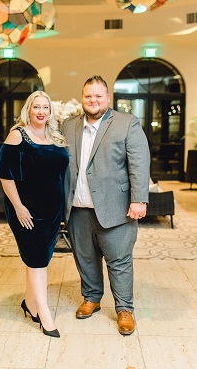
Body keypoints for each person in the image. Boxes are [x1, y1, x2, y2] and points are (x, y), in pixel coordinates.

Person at [61, 75, 150, 336]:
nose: (93, 100)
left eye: (98, 96)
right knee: (85, 259)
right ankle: (91, 298)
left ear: (108, 98)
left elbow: (139, 163)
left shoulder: (126, 123)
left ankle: (124, 309)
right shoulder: (69, 126)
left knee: (119, 261)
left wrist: (138, 199)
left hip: (116, 209)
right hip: (77, 209)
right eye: (88, 95)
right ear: (82, 98)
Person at [0, 90, 69, 338]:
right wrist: (19, 207)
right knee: (37, 260)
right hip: (27, 209)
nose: (41, 112)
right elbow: (5, 174)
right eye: (36, 107)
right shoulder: (18, 135)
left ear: (50, 111)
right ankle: (44, 313)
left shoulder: (55, 137)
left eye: (45, 108)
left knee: (39, 258)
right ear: (28, 109)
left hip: (51, 210)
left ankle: (30, 303)